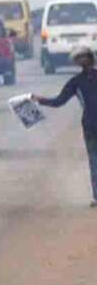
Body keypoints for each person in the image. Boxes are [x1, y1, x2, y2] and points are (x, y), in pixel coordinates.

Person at [31, 46, 97, 207]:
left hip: (89, 125)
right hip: (90, 126)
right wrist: (39, 100)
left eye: (82, 58)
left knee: (94, 161)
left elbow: (58, 102)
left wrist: (39, 99)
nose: (82, 61)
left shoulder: (76, 82)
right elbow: (58, 101)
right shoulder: (75, 82)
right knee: (94, 161)